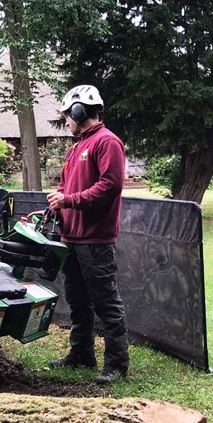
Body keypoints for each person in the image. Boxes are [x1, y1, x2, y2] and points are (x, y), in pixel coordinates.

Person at [46, 84, 129, 385]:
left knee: (106, 302)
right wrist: (58, 197)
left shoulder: (107, 142)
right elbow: (65, 185)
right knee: (78, 301)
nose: (66, 120)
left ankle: (117, 365)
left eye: (68, 114)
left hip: (95, 240)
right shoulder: (76, 146)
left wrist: (70, 200)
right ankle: (81, 354)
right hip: (72, 237)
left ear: (80, 111)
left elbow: (110, 187)